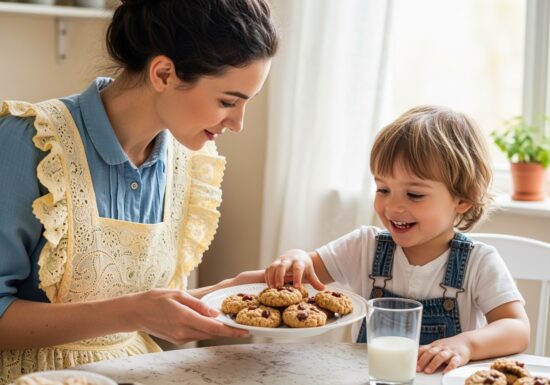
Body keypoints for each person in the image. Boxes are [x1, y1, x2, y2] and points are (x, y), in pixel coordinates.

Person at [0, 0, 278, 382]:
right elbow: (131, 310)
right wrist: (134, 312)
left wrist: (224, 294)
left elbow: (143, 306)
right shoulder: (31, 143)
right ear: (163, 73)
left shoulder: (187, 163)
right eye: (228, 101)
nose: (238, 123)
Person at [264, 106, 530, 374]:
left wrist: (467, 344)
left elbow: (516, 328)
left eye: (414, 194)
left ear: (463, 197)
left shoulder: (479, 262)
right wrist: (295, 256)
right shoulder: (364, 247)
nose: (392, 206)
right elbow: (297, 274)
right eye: (383, 189)